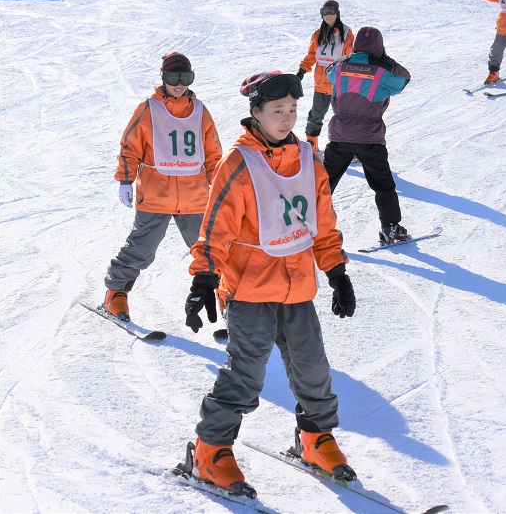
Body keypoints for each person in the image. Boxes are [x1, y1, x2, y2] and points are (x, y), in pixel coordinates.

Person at [182, 71, 358, 494]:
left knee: (312, 368)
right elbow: (216, 227)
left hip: (298, 287)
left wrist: (336, 271)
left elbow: (322, 222)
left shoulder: (308, 158)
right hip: (250, 288)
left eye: (293, 110)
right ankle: (210, 450)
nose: (287, 118)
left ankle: (315, 438)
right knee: (246, 372)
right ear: (256, 113)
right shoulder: (239, 162)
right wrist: (204, 278)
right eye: (277, 110)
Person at [102, 52, 222, 321]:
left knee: (211, 250)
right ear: (163, 77)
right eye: (173, 77)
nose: (179, 84)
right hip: (156, 194)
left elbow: (213, 154)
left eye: (185, 77)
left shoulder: (200, 111)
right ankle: (116, 293)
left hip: (195, 196)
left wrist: (220, 186)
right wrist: (125, 180)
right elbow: (130, 146)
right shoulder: (149, 108)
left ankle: (230, 300)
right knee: (141, 249)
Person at [322, 26, 412, 245]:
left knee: (323, 182)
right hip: (369, 139)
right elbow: (404, 79)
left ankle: (305, 222)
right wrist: (385, 59)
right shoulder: (383, 72)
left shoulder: (340, 67)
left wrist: (349, 58)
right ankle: (391, 228)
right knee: (382, 185)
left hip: (340, 135)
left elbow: (328, 71)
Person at [296, 0, 355, 152]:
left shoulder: (346, 33)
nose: (328, 15)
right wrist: (301, 71)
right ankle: (312, 144)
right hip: (321, 83)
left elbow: (351, 57)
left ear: (337, 13)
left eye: (331, 11)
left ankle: (350, 147)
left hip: (340, 83)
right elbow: (312, 55)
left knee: (345, 116)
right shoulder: (318, 34)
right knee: (316, 115)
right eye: (324, 12)